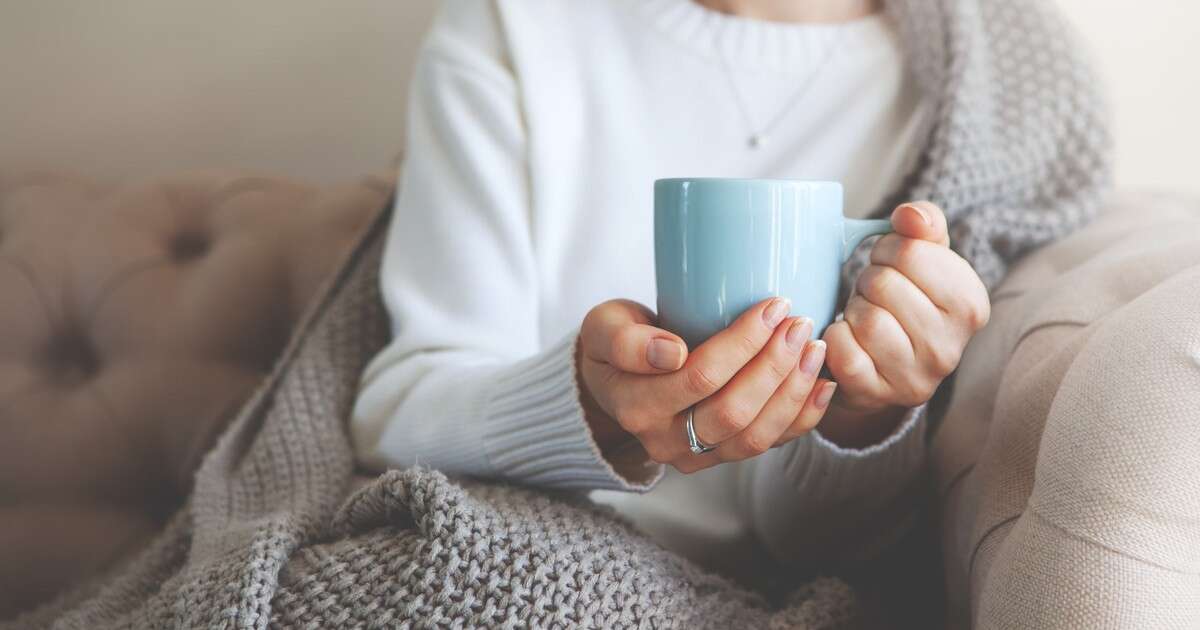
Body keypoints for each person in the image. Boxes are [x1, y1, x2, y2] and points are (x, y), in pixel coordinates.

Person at [351, 0, 1103, 575]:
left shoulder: (1007, 94)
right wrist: (588, 409)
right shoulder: (517, 25)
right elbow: (397, 412)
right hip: (489, 556)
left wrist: (861, 417)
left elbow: (825, 551)